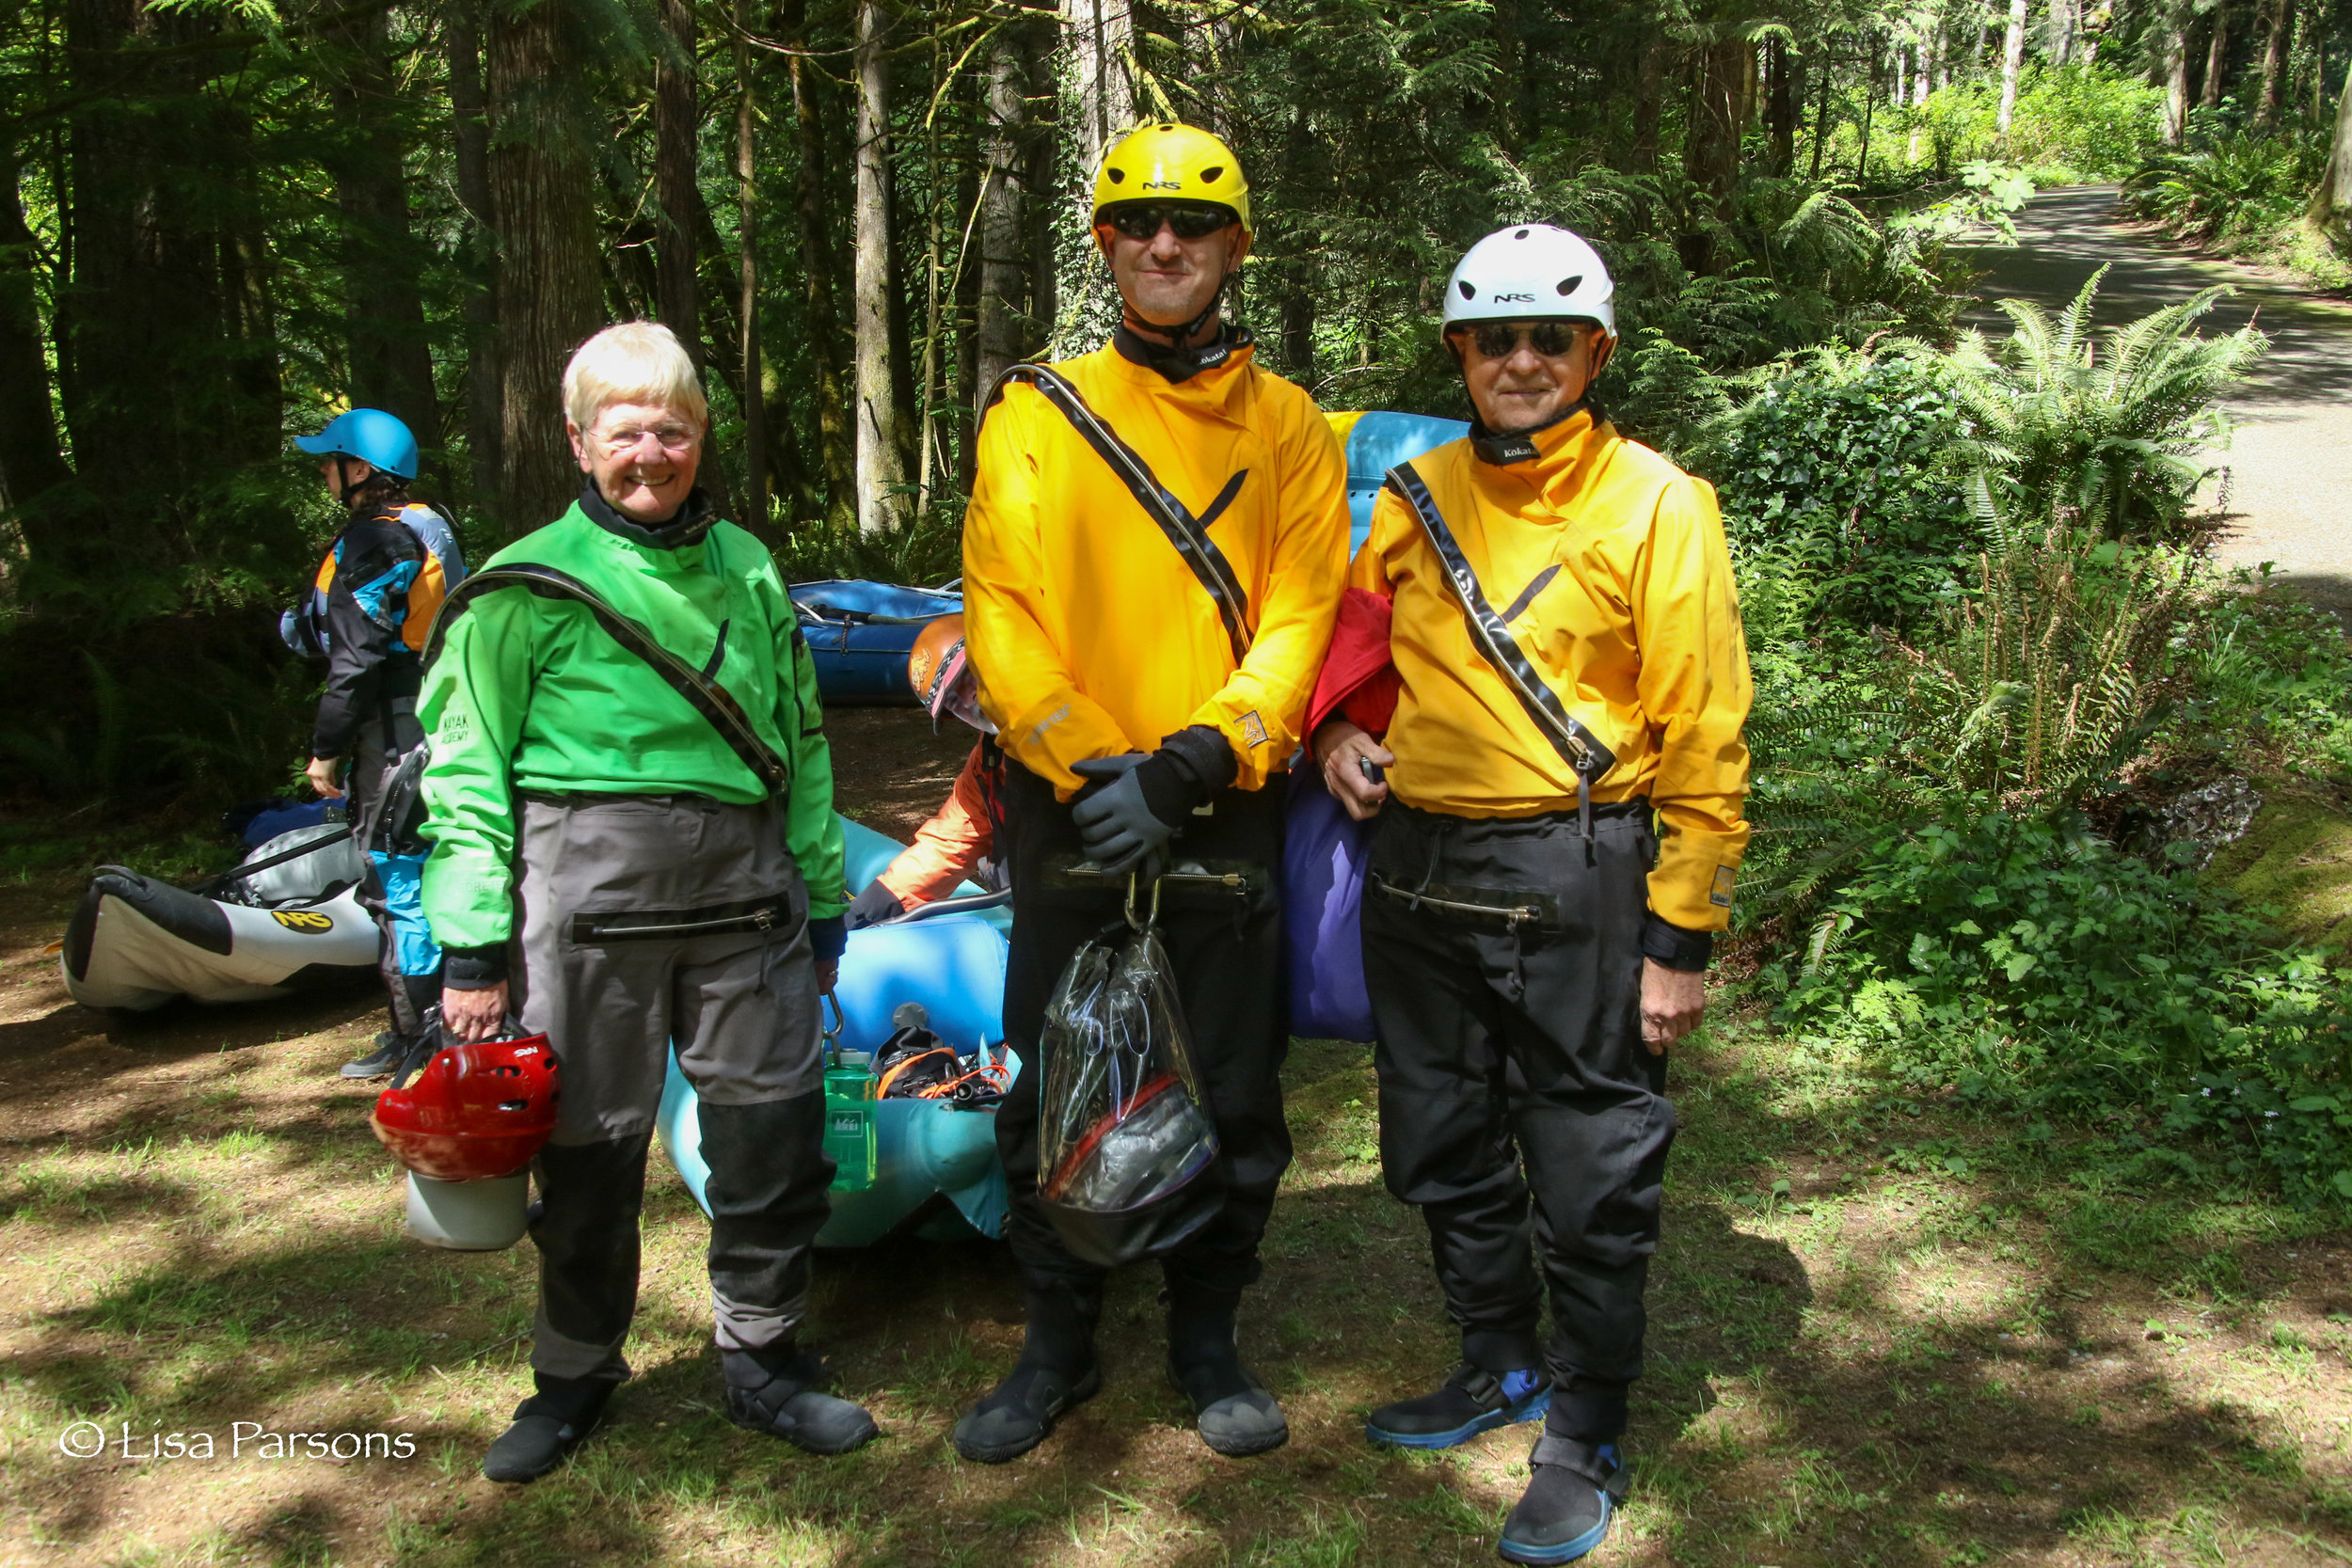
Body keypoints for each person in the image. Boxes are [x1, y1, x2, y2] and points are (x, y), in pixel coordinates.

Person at [1310, 224, 1752, 1565]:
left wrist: (1680, 938)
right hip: (1422, 865)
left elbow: (1708, 732)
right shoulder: (1418, 486)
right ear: (1457, 353)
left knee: (1591, 1156)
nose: (1518, 361)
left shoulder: (1660, 501)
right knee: (1438, 1131)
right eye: (1492, 339)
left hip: (1583, 863)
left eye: (1544, 339)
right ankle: (1496, 1354)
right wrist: (1337, 730)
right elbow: (1357, 632)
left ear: (1594, 351)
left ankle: (1587, 1425)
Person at [414, 321, 872, 1483]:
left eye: (672, 428)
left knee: (773, 1137)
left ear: (700, 434)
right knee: (588, 1156)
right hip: (583, 912)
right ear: (579, 440)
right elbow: (465, 775)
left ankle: (764, 1359)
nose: (651, 453)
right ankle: (570, 1376)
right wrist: (471, 949)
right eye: (625, 430)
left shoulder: (753, 569)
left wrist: (823, 901)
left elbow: (801, 744)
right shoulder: (518, 588)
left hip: (750, 900)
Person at [955, 120, 1348, 1464]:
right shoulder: (1035, 411)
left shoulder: (1294, 425)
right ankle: (1057, 1339)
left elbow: (1303, 610)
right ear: (1106, 243)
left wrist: (1193, 759)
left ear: (1235, 248)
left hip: (1218, 796)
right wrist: (1081, 756)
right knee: (1042, 1069)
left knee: (1232, 1079)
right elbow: (1001, 603)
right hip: (1071, 800)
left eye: (1194, 225)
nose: (1166, 244)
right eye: (1140, 224)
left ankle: (1205, 1332)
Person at [289, 408, 467, 1080]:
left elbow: (356, 660)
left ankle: (423, 1039)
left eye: (329, 462)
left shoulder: (375, 542)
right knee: (424, 872)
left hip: (396, 738)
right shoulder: (431, 523)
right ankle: (427, 1029)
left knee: (399, 879)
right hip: (441, 722)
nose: (323, 473)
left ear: (361, 469)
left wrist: (326, 749)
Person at [844, 614, 1008, 929]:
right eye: (954, 701)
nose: (970, 700)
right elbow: (946, 847)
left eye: (969, 675)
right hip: (1048, 912)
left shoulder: (1076, 719)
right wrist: (863, 914)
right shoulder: (987, 766)